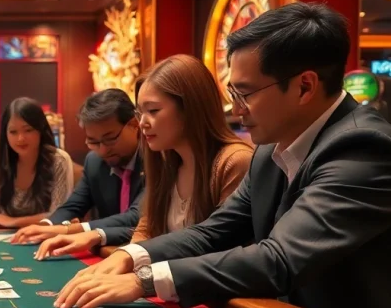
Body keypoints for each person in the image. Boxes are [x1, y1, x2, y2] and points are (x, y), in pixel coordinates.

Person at [54, 2, 391, 308]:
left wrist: (146, 280)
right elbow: (213, 231)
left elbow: (279, 259)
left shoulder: (365, 147)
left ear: (305, 86)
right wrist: (130, 255)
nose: (236, 109)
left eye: (245, 94)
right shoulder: (269, 153)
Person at [34, 55, 253, 260]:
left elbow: (218, 246)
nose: (142, 123)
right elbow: (146, 228)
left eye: (154, 111)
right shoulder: (167, 160)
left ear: (191, 108)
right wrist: (124, 260)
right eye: (140, 113)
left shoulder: (235, 162)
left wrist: (133, 265)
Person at [11, 89, 143, 246]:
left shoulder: (156, 160)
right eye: (93, 142)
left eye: (110, 139)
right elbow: (74, 205)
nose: (102, 150)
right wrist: (47, 226)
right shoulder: (94, 162)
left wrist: (69, 230)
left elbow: (136, 217)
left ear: (134, 125)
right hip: (109, 249)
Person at [0, 98, 75, 236]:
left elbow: (59, 214)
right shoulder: (1, 160)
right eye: (13, 132)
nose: (20, 138)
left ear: (40, 129)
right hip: (5, 239)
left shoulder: (59, 160)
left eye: (28, 130)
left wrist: (11, 222)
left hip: (45, 236)